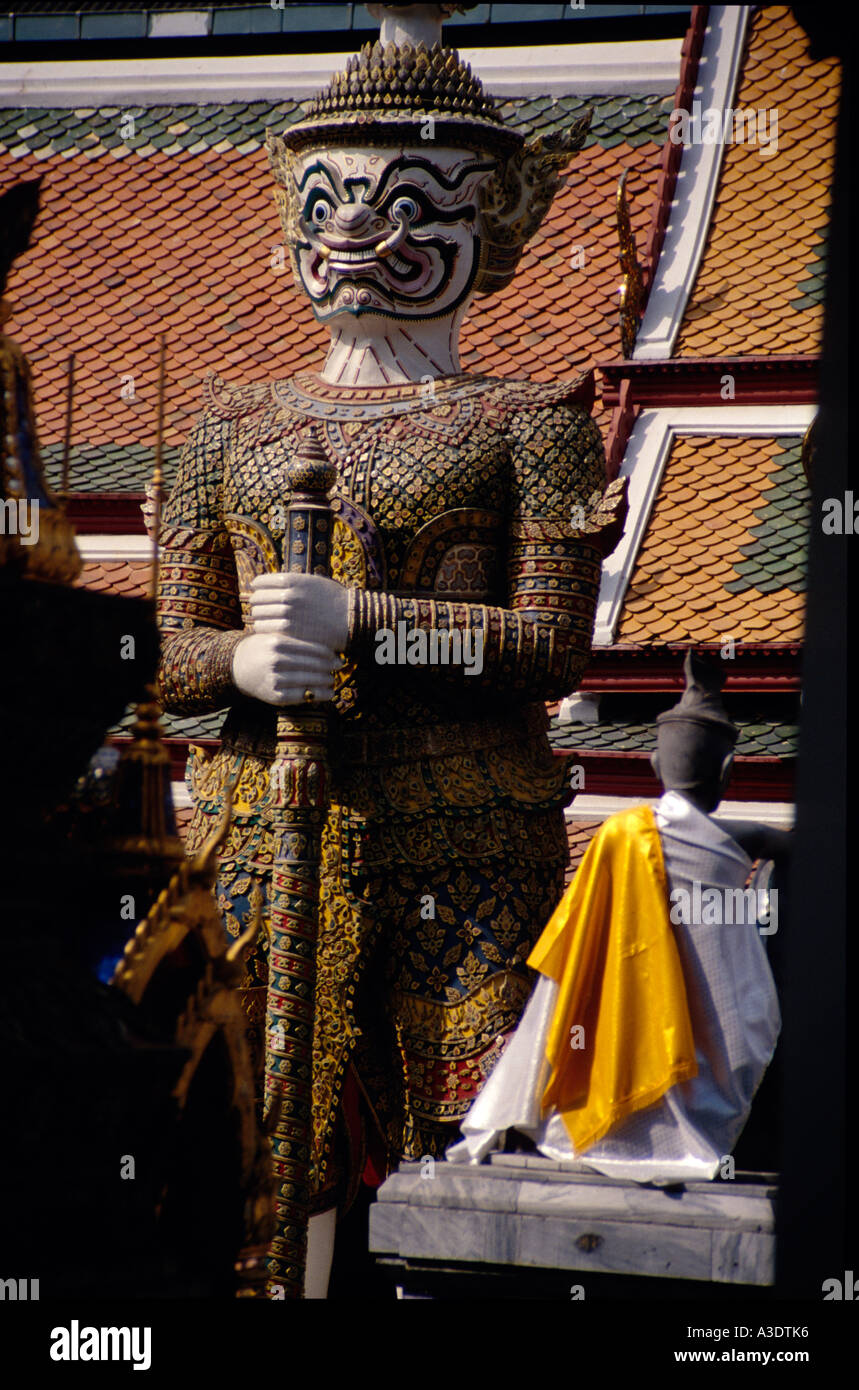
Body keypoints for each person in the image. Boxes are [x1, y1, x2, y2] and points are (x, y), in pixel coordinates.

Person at [155, 7, 624, 1283]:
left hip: (464, 844)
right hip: (260, 835)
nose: (359, 230)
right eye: (330, 198)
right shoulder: (226, 422)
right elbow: (169, 645)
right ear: (288, 220)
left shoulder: (529, 420)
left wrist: (368, 621)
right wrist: (245, 665)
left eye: (410, 200)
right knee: (246, 1156)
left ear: (497, 224)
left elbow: (548, 647)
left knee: (453, 1166)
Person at [448, 652, 783, 1182]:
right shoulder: (739, 838)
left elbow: (577, 939)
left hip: (616, 1010)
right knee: (752, 1034)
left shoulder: (616, 835)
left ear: (652, 767)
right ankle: (684, 1142)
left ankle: (603, 1125)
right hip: (715, 1027)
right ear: (727, 771)